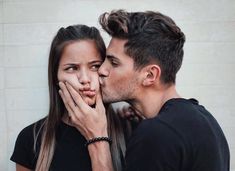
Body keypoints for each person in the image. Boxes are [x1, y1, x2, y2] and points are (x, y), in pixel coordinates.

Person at [59, 10, 230, 171]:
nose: (102, 70)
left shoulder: (156, 134)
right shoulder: (206, 121)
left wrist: (96, 139)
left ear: (150, 75)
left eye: (114, 62)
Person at [10, 24, 128, 171]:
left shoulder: (132, 131)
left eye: (95, 66)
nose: (85, 79)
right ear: (56, 77)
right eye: (72, 68)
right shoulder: (31, 139)